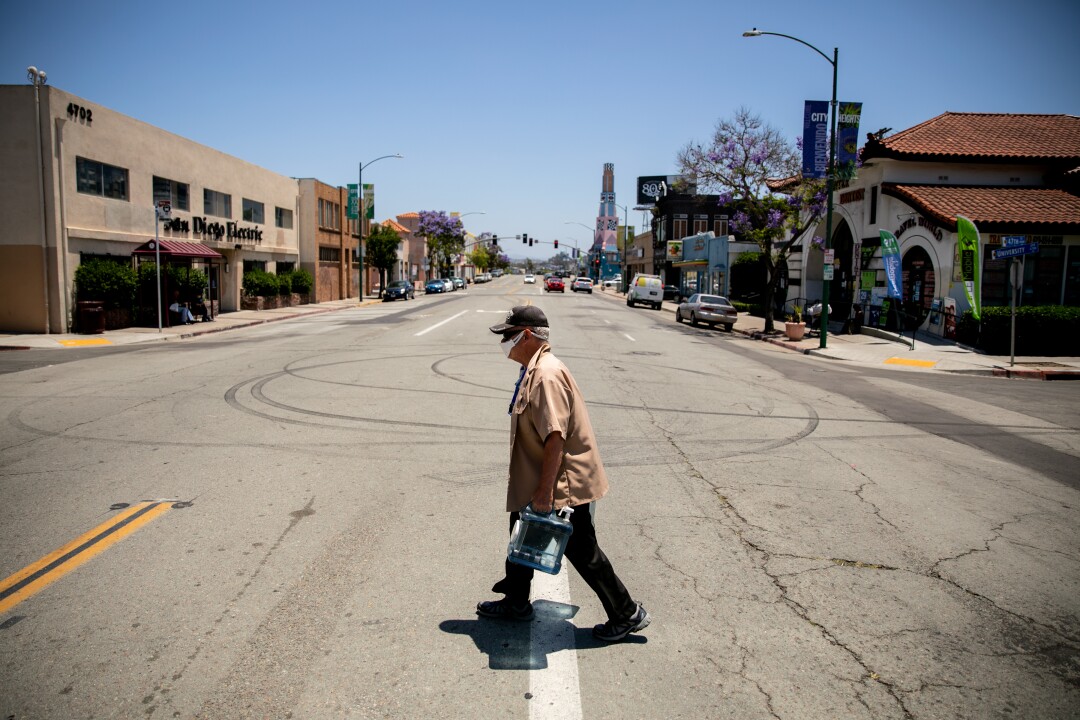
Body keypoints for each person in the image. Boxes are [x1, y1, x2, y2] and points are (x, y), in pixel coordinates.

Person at [476, 305, 651, 642]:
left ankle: (626, 612)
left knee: (582, 549)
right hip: (540, 479)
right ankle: (515, 602)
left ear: (526, 335)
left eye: (508, 336)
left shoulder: (546, 375)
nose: (504, 342)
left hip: (561, 484)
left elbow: (555, 437)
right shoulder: (534, 368)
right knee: (521, 536)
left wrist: (544, 494)